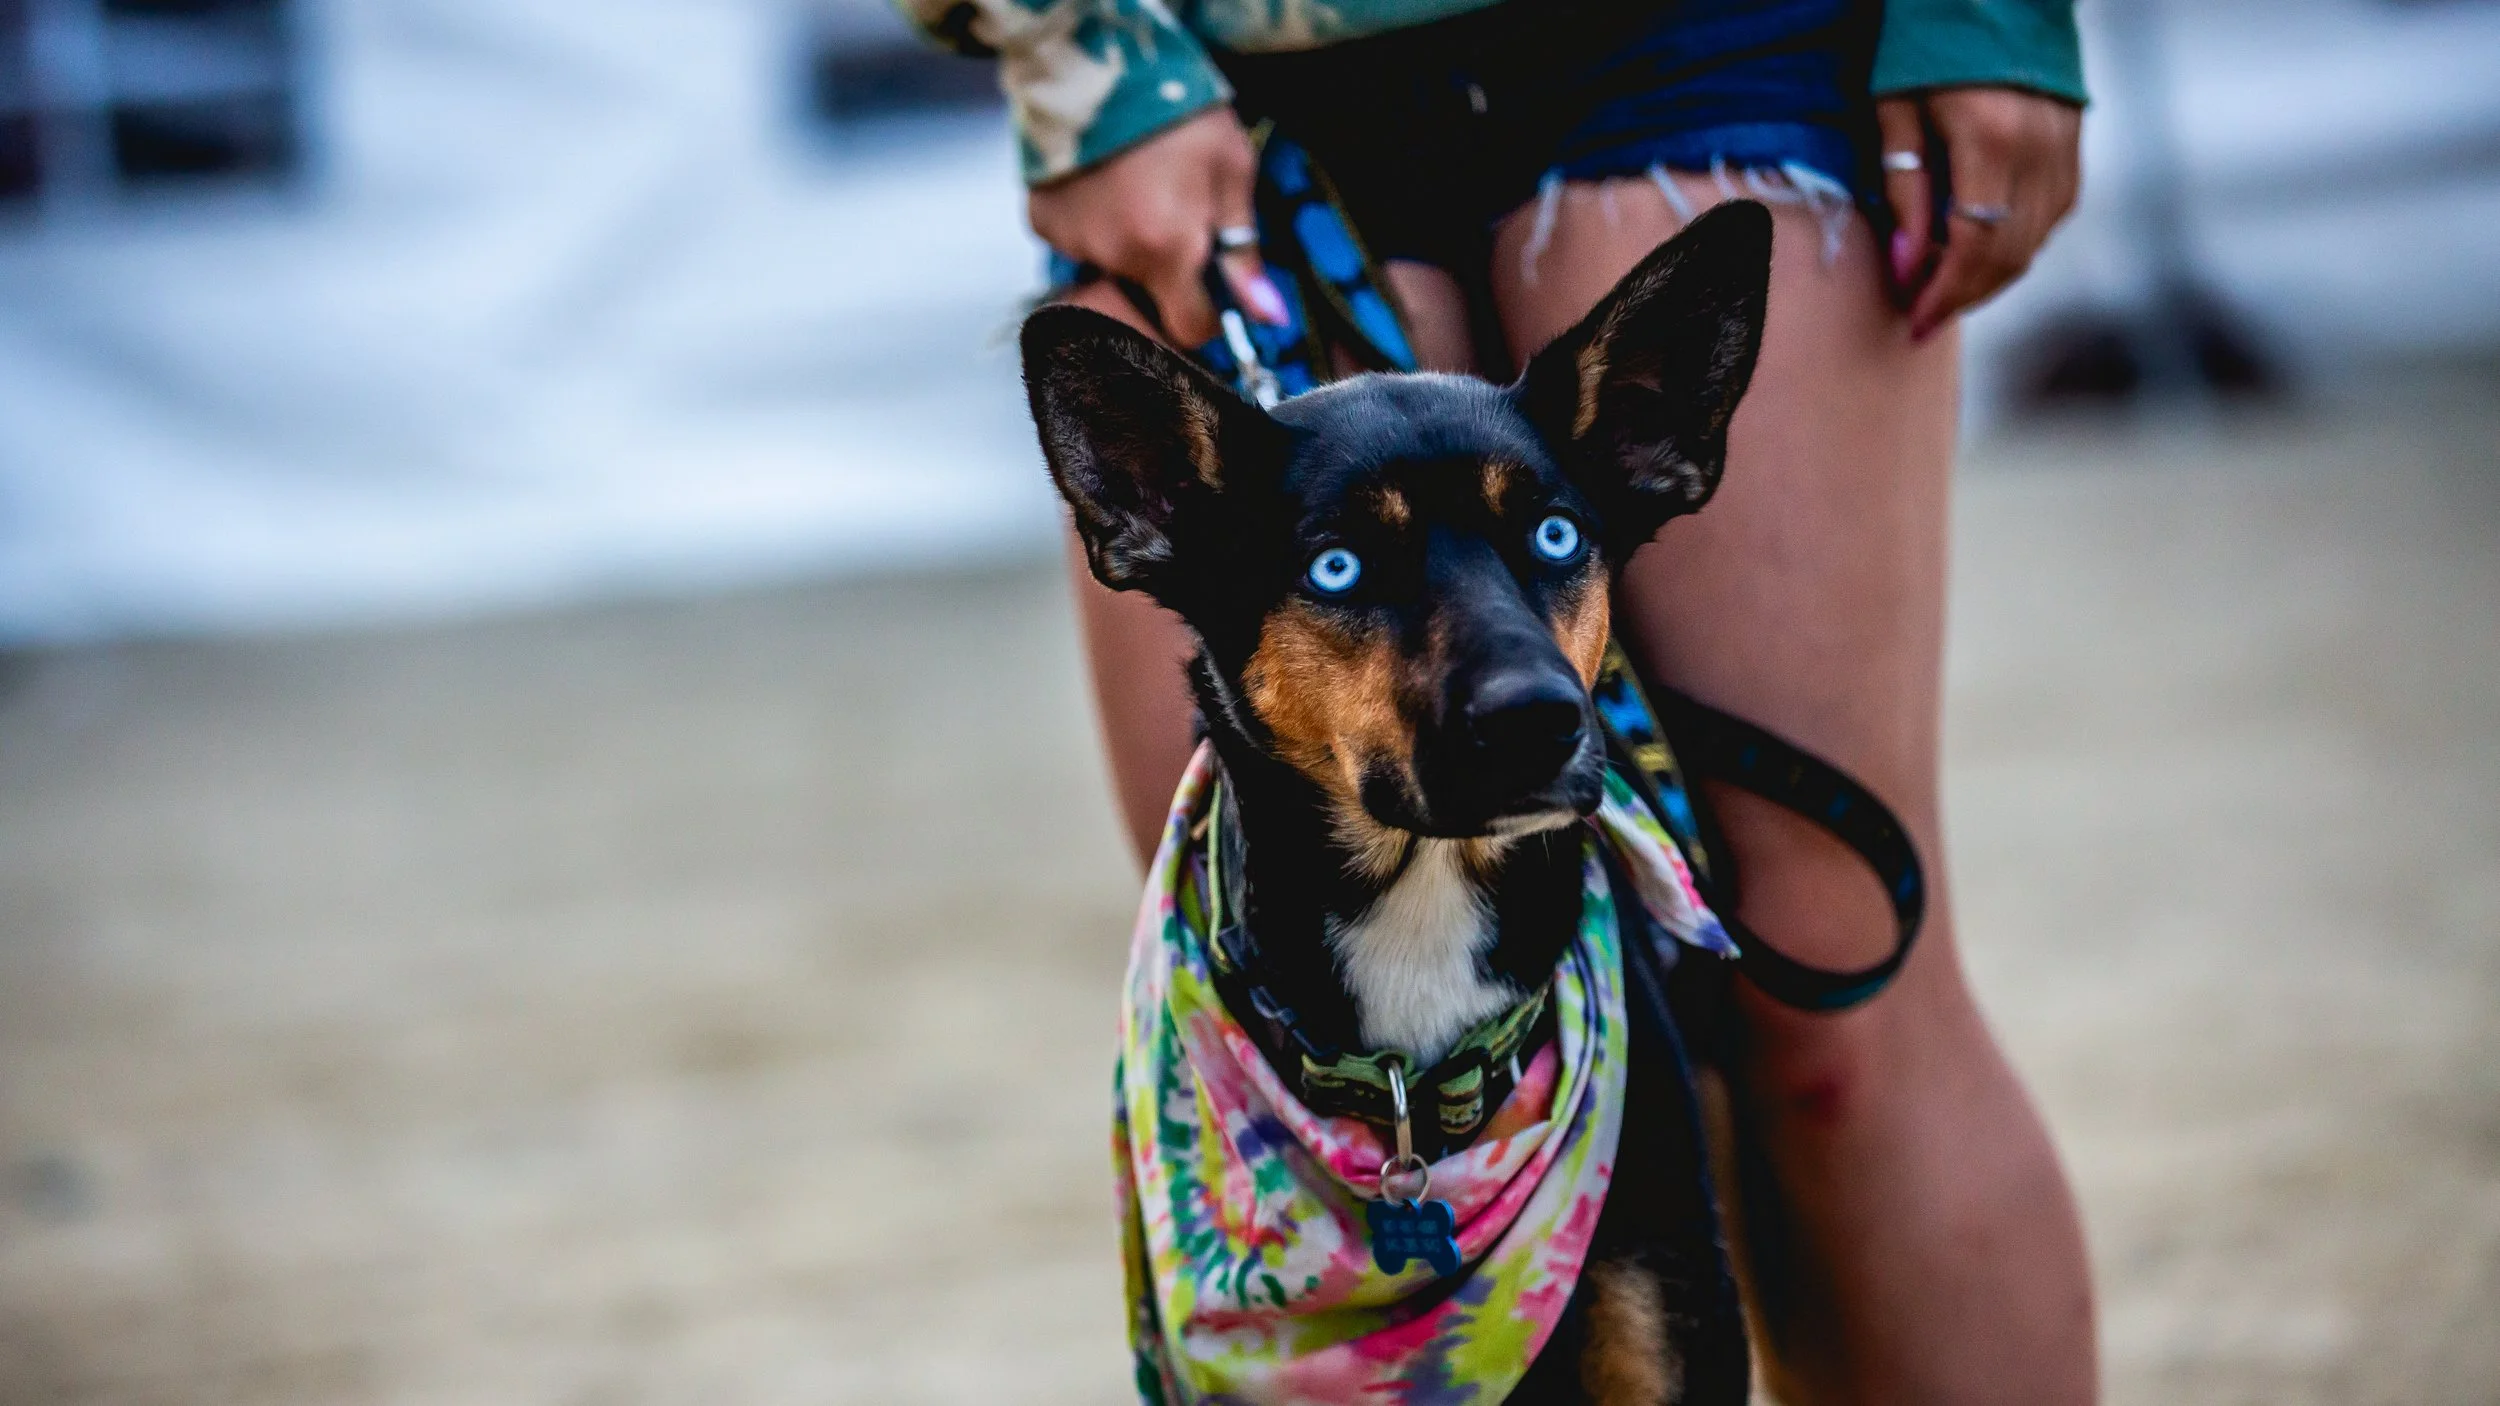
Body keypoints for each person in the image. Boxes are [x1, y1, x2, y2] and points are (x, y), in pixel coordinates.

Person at [899, 0, 2094, 1399]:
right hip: (1217, 75)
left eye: (1549, 559)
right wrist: (1080, 54)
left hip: (1719, 40)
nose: (1517, 679)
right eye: (1347, 571)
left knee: (1836, 1006)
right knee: (1271, 1004)